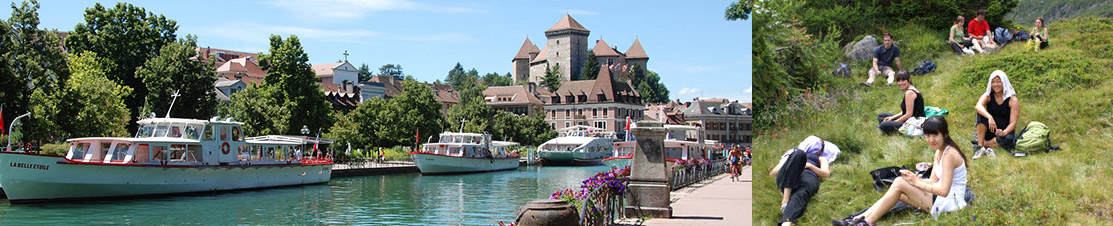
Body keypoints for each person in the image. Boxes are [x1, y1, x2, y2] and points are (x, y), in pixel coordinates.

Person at [834, 116, 968, 226]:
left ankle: (867, 222)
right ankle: (859, 219)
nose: (931, 140)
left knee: (899, 183)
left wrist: (916, 183)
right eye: (927, 136)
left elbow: (944, 191)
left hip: (950, 204)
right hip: (940, 198)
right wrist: (913, 178)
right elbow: (933, 181)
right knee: (898, 189)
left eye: (934, 135)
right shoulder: (939, 151)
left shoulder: (950, 154)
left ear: (944, 134)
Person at [770, 136, 840, 226]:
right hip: (788, 176)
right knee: (799, 154)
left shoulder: (821, 158)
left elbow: (825, 174)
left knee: (801, 194)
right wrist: (792, 163)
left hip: (808, 176)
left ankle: (786, 222)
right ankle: (785, 199)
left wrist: (810, 166)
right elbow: (774, 172)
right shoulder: (793, 153)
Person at [973, 70, 1019, 159]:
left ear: (1004, 83)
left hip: (1004, 131)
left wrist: (1004, 132)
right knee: (981, 113)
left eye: (999, 81)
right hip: (990, 128)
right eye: (993, 82)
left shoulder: (1013, 100)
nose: (996, 84)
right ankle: (980, 146)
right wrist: (989, 117)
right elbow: (978, 106)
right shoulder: (988, 95)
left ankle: (983, 144)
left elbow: (1013, 123)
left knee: (1009, 140)